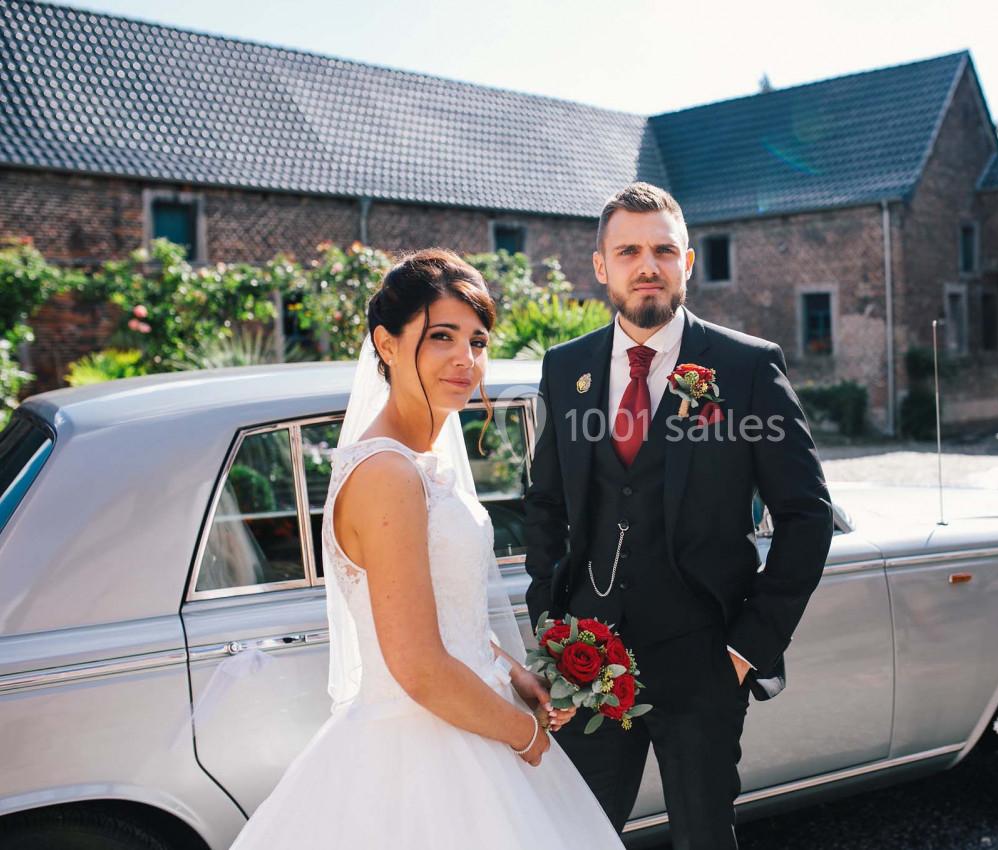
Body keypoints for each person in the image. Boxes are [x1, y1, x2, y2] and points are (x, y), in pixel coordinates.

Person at [230, 249, 624, 849]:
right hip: (423, 747)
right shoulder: (387, 474)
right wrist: (524, 736)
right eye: (442, 336)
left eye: (478, 340)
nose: (466, 360)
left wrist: (515, 672)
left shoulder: (421, 462)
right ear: (387, 345)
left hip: (469, 712)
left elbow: (443, 613)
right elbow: (415, 665)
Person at [524, 183, 834, 848]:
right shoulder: (565, 368)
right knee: (575, 835)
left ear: (686, 263)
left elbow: (806, 516)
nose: (648, 264)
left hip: (704, 659)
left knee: (703, 837)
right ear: (601, 265)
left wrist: (746, 649)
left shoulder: (747, 368)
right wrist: (550, 625)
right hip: (588, 660)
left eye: (664, 249)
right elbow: (545, 506)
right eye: (629, 250)